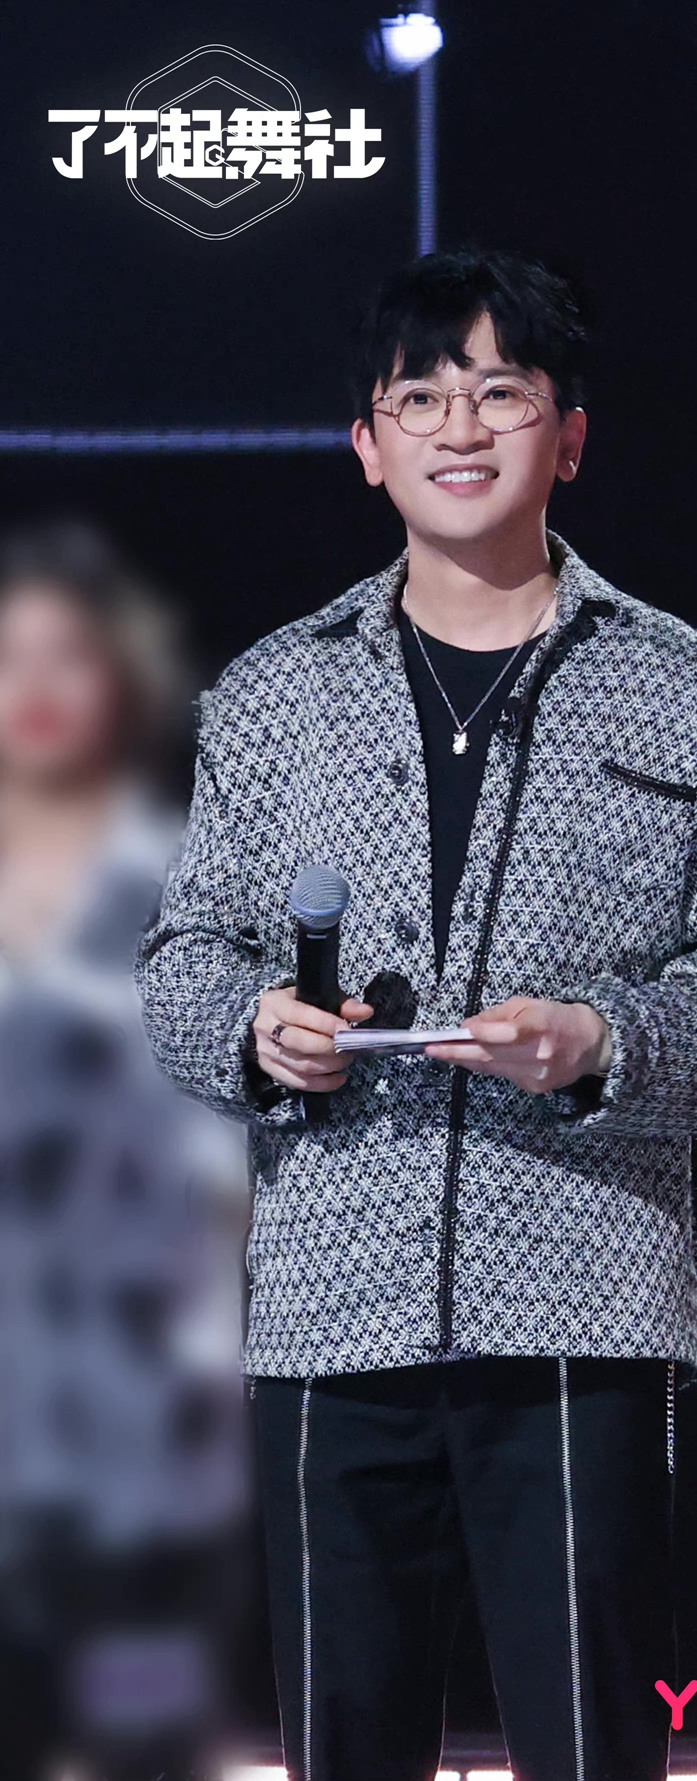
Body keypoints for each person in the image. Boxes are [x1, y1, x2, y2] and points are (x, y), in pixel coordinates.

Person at [136, 247, 697, 1781]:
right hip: (331, 1303)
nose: (462, 427)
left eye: (502, 392)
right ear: (366, 445)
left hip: (581, 1300)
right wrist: (255, 1030)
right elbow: (182, 959)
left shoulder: (688, 689)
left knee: (590, 1740)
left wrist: (602, 1044)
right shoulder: (275, 694)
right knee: (345, 1739)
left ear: (568, 436)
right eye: (422, 397)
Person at [0, 521, 249, 1781]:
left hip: (150, 1417)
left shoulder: (188, 882)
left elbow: (228, 1150)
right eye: (10, 657)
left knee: (139, 1732)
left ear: (126, 677)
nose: (37, 687)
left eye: (70, 655)